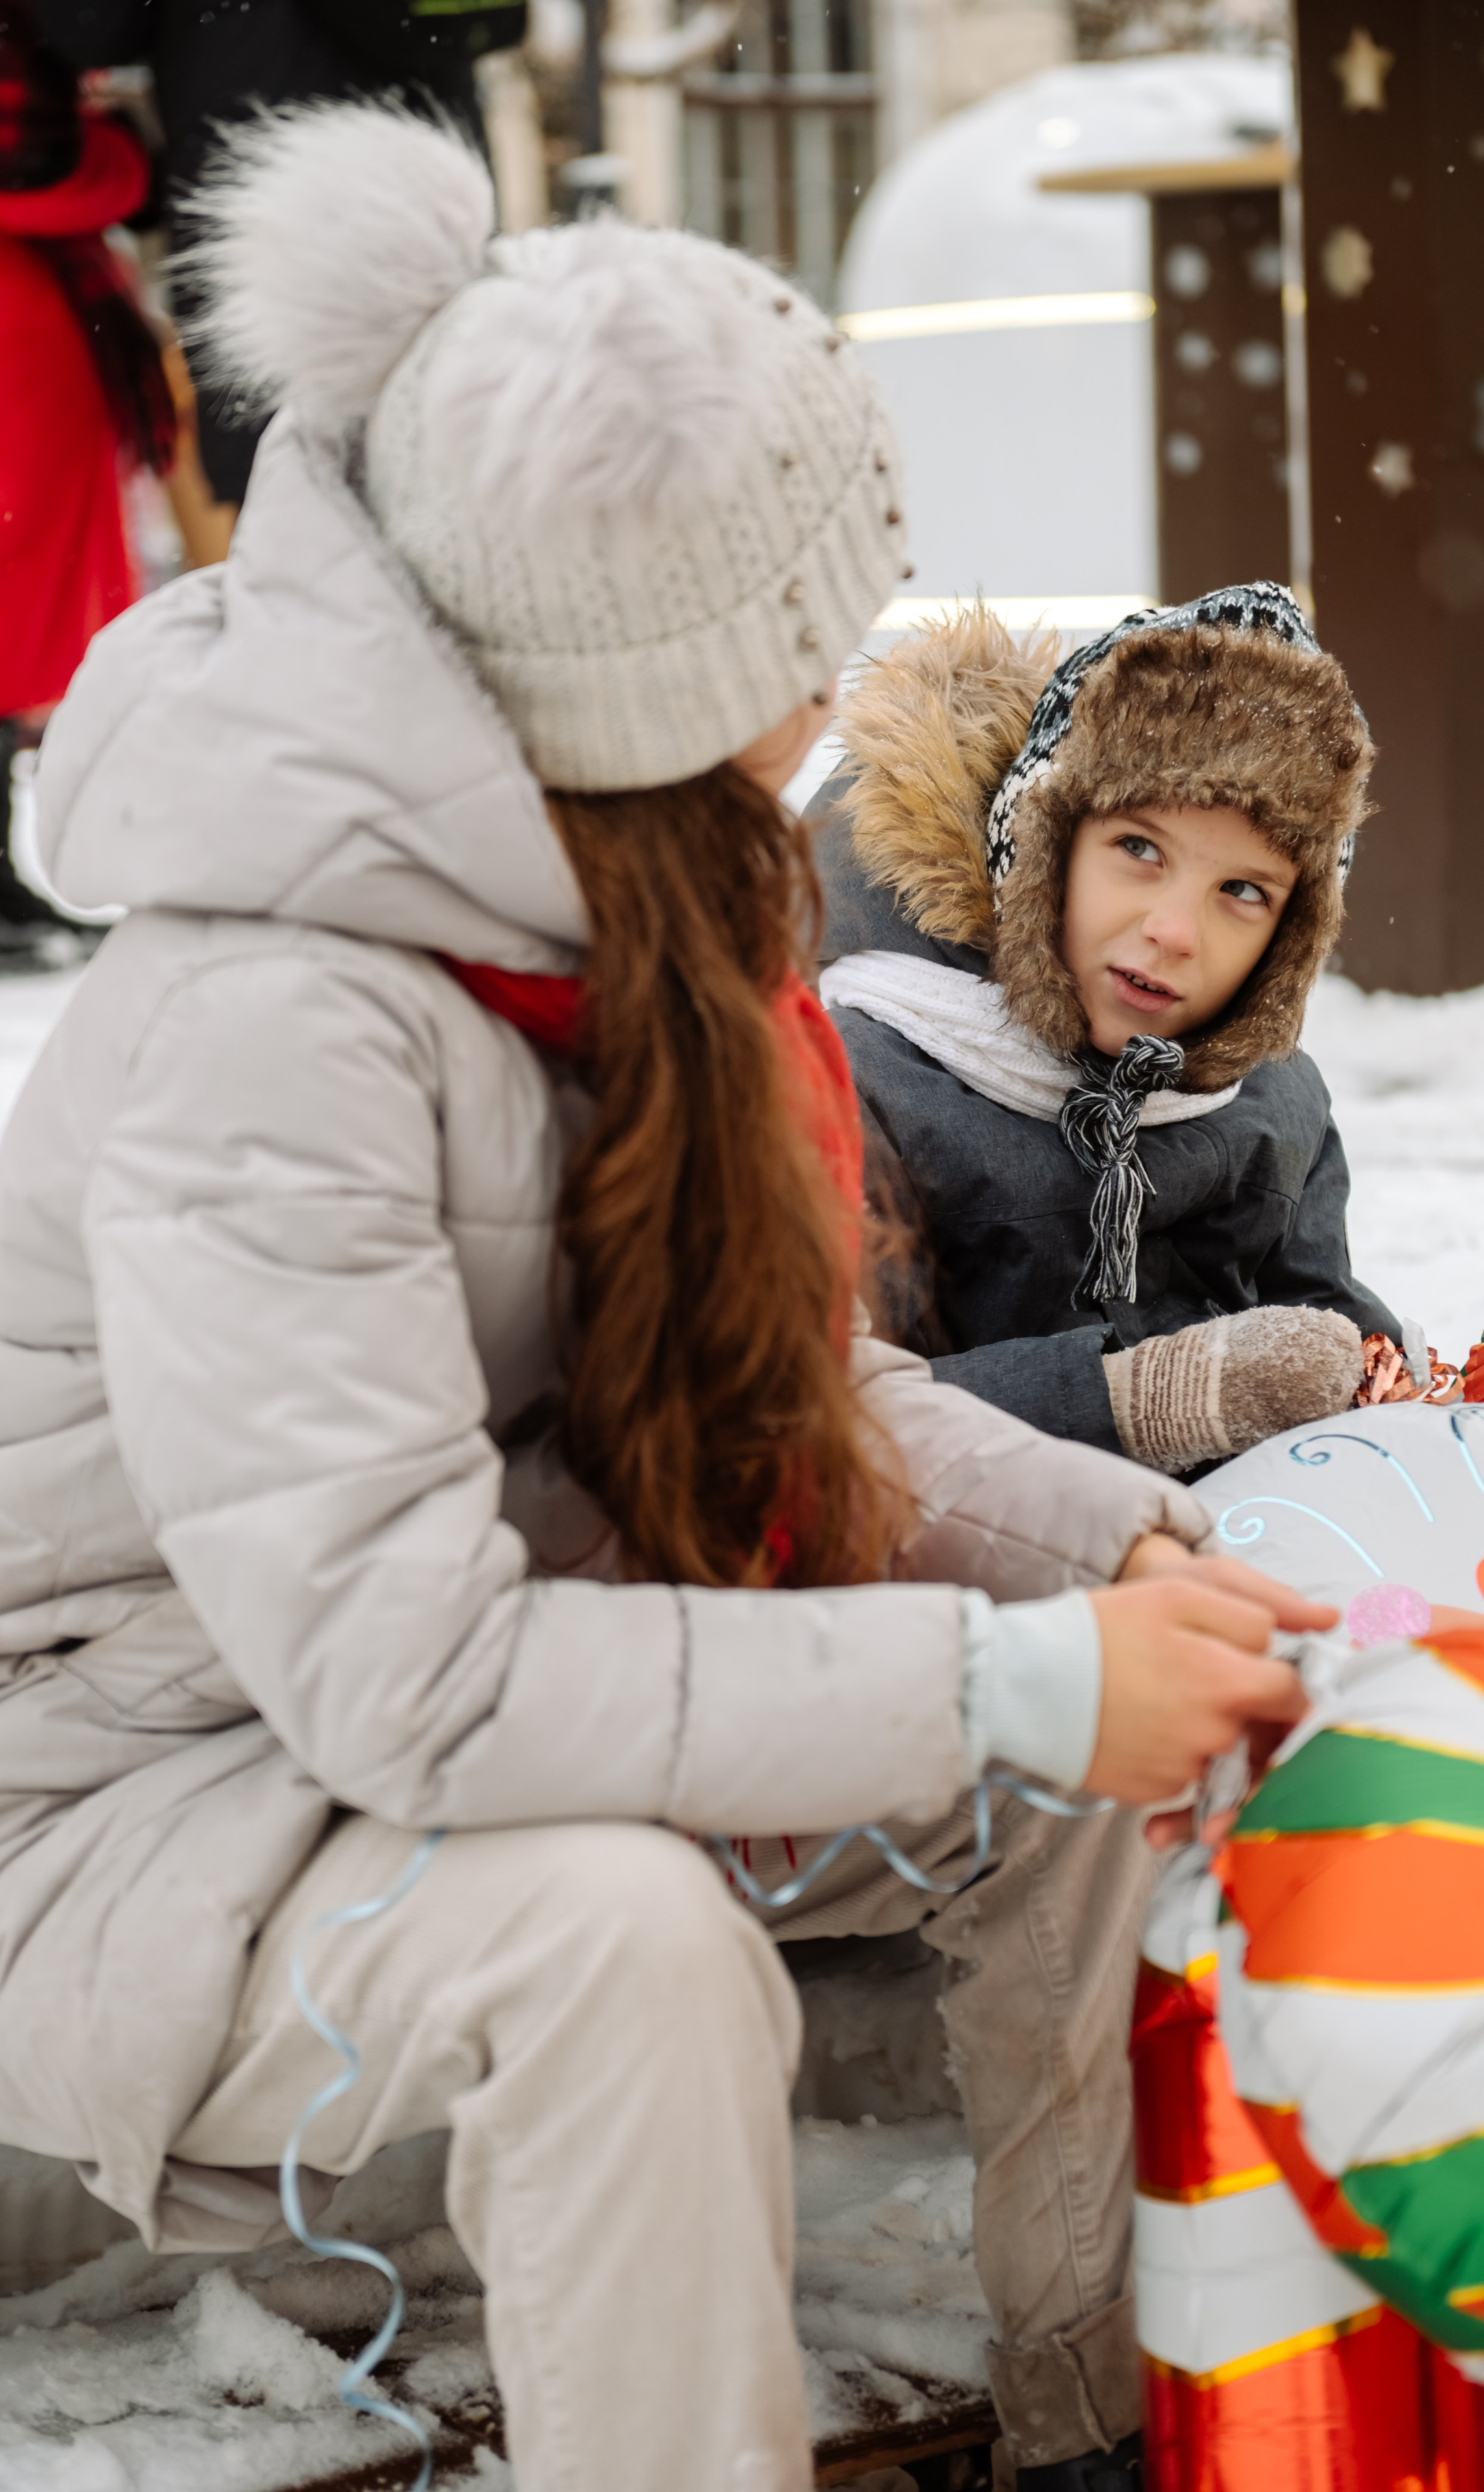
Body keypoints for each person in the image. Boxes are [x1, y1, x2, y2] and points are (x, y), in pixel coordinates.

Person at [0, 105, 1334, 2492]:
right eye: (793, 636)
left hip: (414, 1727)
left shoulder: (624, 891)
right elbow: (410, 1678)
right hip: (135, 1811)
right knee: (618, 1948)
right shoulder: (281, 1029)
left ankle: (1094, 2430)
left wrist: (1109, 1558)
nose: (830, 682)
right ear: (644, 671)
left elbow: (795, 1391)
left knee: (1074, 1776)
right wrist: (1009, 1672)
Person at [816, 597, 1408, 1478]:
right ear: (1045, 845)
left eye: (1243, 891)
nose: (1174, 931)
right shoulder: (865, 1084)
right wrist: (1142, 1398)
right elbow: (830, 1424)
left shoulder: (1276, 1103)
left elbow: (1326, 1323)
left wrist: (1383, 1374)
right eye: (1139, 847)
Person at [31, 0, 524, 504]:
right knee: (283, 502)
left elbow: (484, 20)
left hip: (408, 264)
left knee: (444, 493)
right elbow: (88, 31)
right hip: (257, 279)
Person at [0, 0, 173, 958]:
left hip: (39, 327)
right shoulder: (30, 74)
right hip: (23, 329)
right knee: (19, 604)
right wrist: (117, 147)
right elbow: (65, 172)